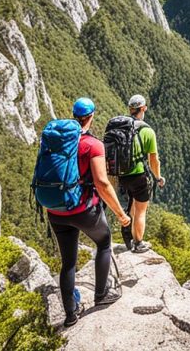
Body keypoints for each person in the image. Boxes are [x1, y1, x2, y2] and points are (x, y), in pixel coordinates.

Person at [49, 97, 131, 327]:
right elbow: (102, 183)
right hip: (83, 210)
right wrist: (121, 214)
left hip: (56, 211)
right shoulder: (92, 145)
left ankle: (70, 315)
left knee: (68, 262)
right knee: (104, 242)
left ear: (73, 115)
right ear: (91, 116)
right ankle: (101, 294)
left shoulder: (57, 141)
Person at [119, 94, 164, 253]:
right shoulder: (147, 130)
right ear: (143, 108)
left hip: (121, 175)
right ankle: (138, 244)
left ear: (130, 109)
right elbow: (154, 160)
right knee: (140, 210)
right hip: (138, 176)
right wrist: (158, 177)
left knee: (131, 205)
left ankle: (128, 237)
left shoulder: (121, 127)